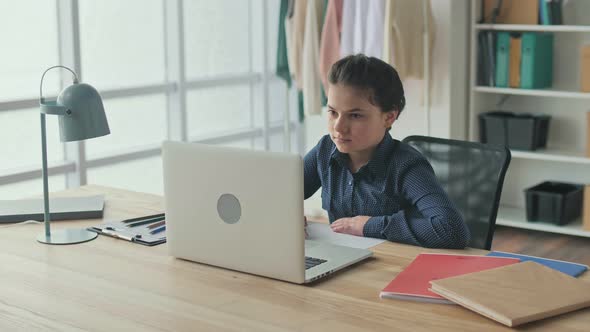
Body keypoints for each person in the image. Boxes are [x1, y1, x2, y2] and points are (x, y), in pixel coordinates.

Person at [304, 54, 470, 249]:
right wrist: (286, 216)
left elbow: (452, 230)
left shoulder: (406, 166)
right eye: (333, 112)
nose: (339, 127)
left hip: (395, 268)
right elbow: (276, 194)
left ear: (389, 117)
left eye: (355, 115)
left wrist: (369, 226)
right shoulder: (325, 150)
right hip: (342, 261)